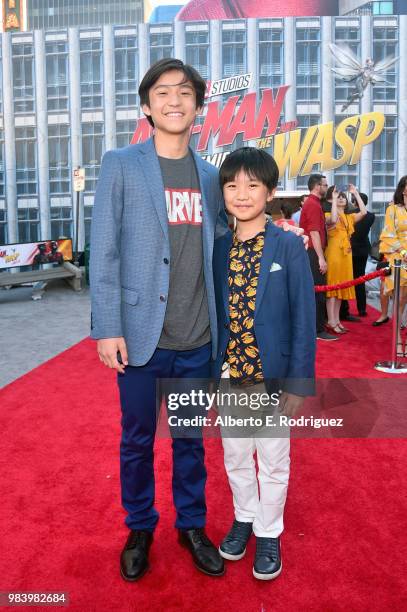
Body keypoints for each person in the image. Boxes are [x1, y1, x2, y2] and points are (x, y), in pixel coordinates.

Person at [90, 58, 229, 582]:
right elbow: (102, 250)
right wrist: (107, 326)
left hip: (197, 339)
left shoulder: (213, 177)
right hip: (141, 339)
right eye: (164, 92)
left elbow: (219, 252)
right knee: (137, 440)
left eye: (186, 91)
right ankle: (140, 525)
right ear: (147, 107)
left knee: (191, 441)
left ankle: (191, 524)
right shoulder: (122, 164)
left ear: (198, 106)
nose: (175, 99)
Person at [212, 147, 316, 580]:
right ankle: (244, 517)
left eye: (252, 185)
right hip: (230, 378)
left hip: (272, 380)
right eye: (232, 185)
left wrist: (297, 383)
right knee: (236, 457)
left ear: (270, 192)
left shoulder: (289, 245)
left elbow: (304, 319)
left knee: (273, 459)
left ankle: (269, 531)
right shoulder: (218, 249)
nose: (241, 193)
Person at [300, 174, 338, 341]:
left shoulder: (313, 204)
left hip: (313, 252)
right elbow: (314, 233)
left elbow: (326, 225)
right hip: (313, 253)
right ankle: (317, 330)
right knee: (318, 293)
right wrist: (321, 259)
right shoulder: (313, 205)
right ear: (317, 186)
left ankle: (316, 328)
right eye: (324, 185)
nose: (326, 187)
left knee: (317, 292)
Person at [325, 187, 367, 334]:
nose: (342, 198)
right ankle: (330, 320)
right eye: (338, 196)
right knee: (332, 288)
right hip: (334, 254)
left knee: (341, 288)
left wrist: (356, 194)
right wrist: (334, 200)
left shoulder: (350, 217)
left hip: (346, 255)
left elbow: (364, 212)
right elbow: (334, 220)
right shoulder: (328, 214)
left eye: (343, 197)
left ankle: (336, 320)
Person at [379, 176, 407, 357]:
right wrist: (404, 253)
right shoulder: (393, 210)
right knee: (401, 298)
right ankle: (397, 339)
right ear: (403, 190)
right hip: (399, 258)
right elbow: (389, 234)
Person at [350, 193, 375, 316]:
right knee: (360, 279)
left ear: (354, 201)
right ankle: (362, 309)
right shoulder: (371, 216)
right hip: (363, 250)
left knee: (347, 279)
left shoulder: (350, 214)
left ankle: (344, 310)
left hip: (349, 250)